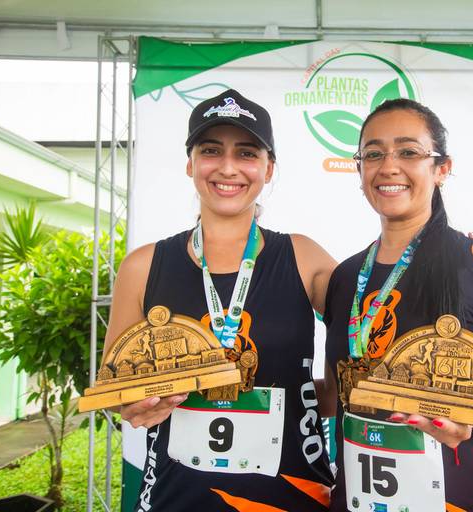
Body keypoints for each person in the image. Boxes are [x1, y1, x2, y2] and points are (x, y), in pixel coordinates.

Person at [322, 98, 473, 511]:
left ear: (441, 169)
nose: (389, 166)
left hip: (468, 497)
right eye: (373, 154)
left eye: (408, 152)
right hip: (364, 500)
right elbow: (335, 395)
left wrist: (468, 409)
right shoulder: (345, 278)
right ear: (359, 169)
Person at [103, 90, 337, 511]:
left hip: (293, 496)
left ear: (268, 168)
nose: (228, 167)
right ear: (190, 163)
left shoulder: (304, 258)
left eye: (246, 153)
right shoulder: (143, 266)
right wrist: (132, 402)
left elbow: (374, 324)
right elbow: (115, 387)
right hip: (176, 498)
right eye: (211, 150)